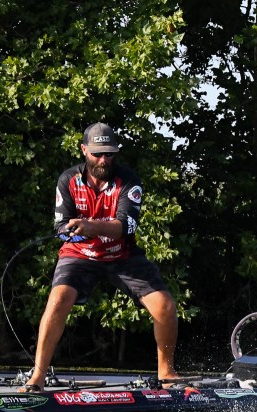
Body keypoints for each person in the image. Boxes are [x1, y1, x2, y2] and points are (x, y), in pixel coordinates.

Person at [20, 122, 182, 392]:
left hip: (122, 255)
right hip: (79, 254)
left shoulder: (129, 180)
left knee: (165, 305)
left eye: (109, 154)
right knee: (57, 300)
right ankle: (37, 376)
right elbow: (60, 226)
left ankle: (166, 372)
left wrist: (91, 226)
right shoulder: (68, 180)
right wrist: (70, 231)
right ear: (84, 150)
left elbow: (126, 226)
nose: (103, 160)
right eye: (97, 154)